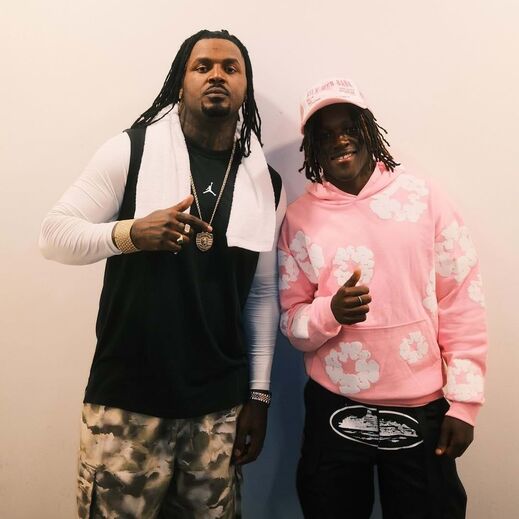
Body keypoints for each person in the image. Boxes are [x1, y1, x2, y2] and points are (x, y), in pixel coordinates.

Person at [40, 29, 285, 519]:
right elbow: (54, 235)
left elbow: (259, 293)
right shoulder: (129, 151)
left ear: (246, 86)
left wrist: (259, 395)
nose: (216, 75)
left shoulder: (265, 181)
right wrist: (130, 233)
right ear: (181, 81)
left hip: (218, 407)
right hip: (128, 399)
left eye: (230, 67)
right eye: (202, 66)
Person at [278, 78, 487, 519]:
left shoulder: (424, 198)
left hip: (422, 406)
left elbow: (462, 300)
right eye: (325, 134)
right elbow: (291, 321)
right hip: (335, 406)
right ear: (312, 147)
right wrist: (329, 312)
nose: (339, 139)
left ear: (369, 130)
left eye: (349, 127)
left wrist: (465, 403)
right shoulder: (300, 220)